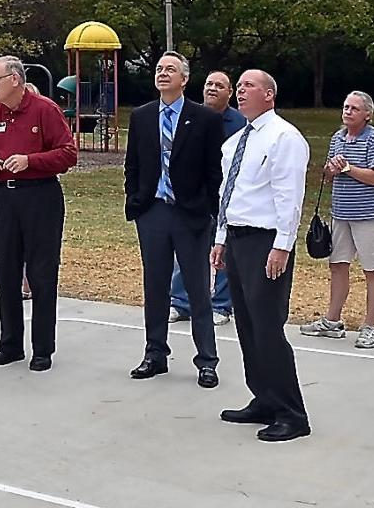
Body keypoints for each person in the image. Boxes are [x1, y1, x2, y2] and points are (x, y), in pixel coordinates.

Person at [212, 69, 311, 443]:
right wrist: (221, 238)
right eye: (238, 87)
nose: (240, 91)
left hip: (266, 240)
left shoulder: (284, 137)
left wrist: (283, 244)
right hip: (238, 237)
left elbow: (289, 195)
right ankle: (264, 397)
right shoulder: (236, 141)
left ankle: (291, 412)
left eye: (248, 86)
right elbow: (230, 193)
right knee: (247, 326)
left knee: (268, 327)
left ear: (269, 95)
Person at [124, 51, 226, 387]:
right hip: (153, 212)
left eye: (171, 70)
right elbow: (133, 164)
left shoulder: (205, 119)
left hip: (190, 214)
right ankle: (154, 354)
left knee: (197, 289)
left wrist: (208, 210)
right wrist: (136, 201)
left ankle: (207, 361)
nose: (163, 74)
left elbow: (215, 172)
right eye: (159, 69)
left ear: (184, 79)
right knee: (155, 287)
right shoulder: (141, 116)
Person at [0, 55, 77, 371]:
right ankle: (10, 344)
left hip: (40, 197)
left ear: (15, 79)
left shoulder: (45, 109)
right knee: (6, 272)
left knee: (41, 273)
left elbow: (67, 153)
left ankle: (43, 348)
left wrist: (30, 161)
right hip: (5, 200)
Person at [301, 91, 374, 349]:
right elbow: (329, 174)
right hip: (341, 214)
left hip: (371, 216)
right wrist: (331, 169)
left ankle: (370, 326)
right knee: (338, 265)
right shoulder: (338, 138)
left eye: (354, 108)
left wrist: (348, 168)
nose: (348, 112)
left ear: (367, 115)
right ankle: (332, 321)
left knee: (371, 269)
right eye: (345, 107)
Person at [171, 69, 243, 325]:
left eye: (219, 85)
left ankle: (221, 306)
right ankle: (181, 302)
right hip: (194, 197)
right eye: (209, 84)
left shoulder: (240, 123)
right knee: (187, 251)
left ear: (230, 93)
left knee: (221, 252)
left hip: (227, 198)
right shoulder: (190, 116)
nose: (212, 88)